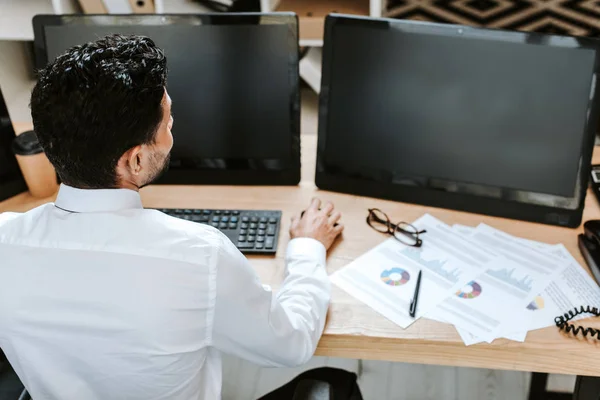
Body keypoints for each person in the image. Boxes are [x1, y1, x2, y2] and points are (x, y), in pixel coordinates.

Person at [0, 34, 343, 400]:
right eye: (167, 122)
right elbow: (289, 345)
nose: (172, 128)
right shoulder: (199, 256)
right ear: (133, 160)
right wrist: (307, 248)